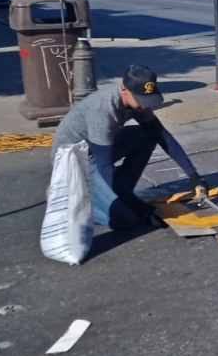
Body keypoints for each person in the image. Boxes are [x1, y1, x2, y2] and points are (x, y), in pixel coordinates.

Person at [51, 64, 207, 231]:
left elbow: (160, 134)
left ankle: (120, 194)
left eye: (147, 100)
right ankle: (71, 203)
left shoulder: (137, 103)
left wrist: (193, 175)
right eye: (140, 100)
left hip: (97, 148)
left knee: (147, 135)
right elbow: (105, 166)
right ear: (124, 89)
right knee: (126, 219)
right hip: (75, 160)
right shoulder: (103, 112)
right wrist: (140, 209)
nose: (144, 106)